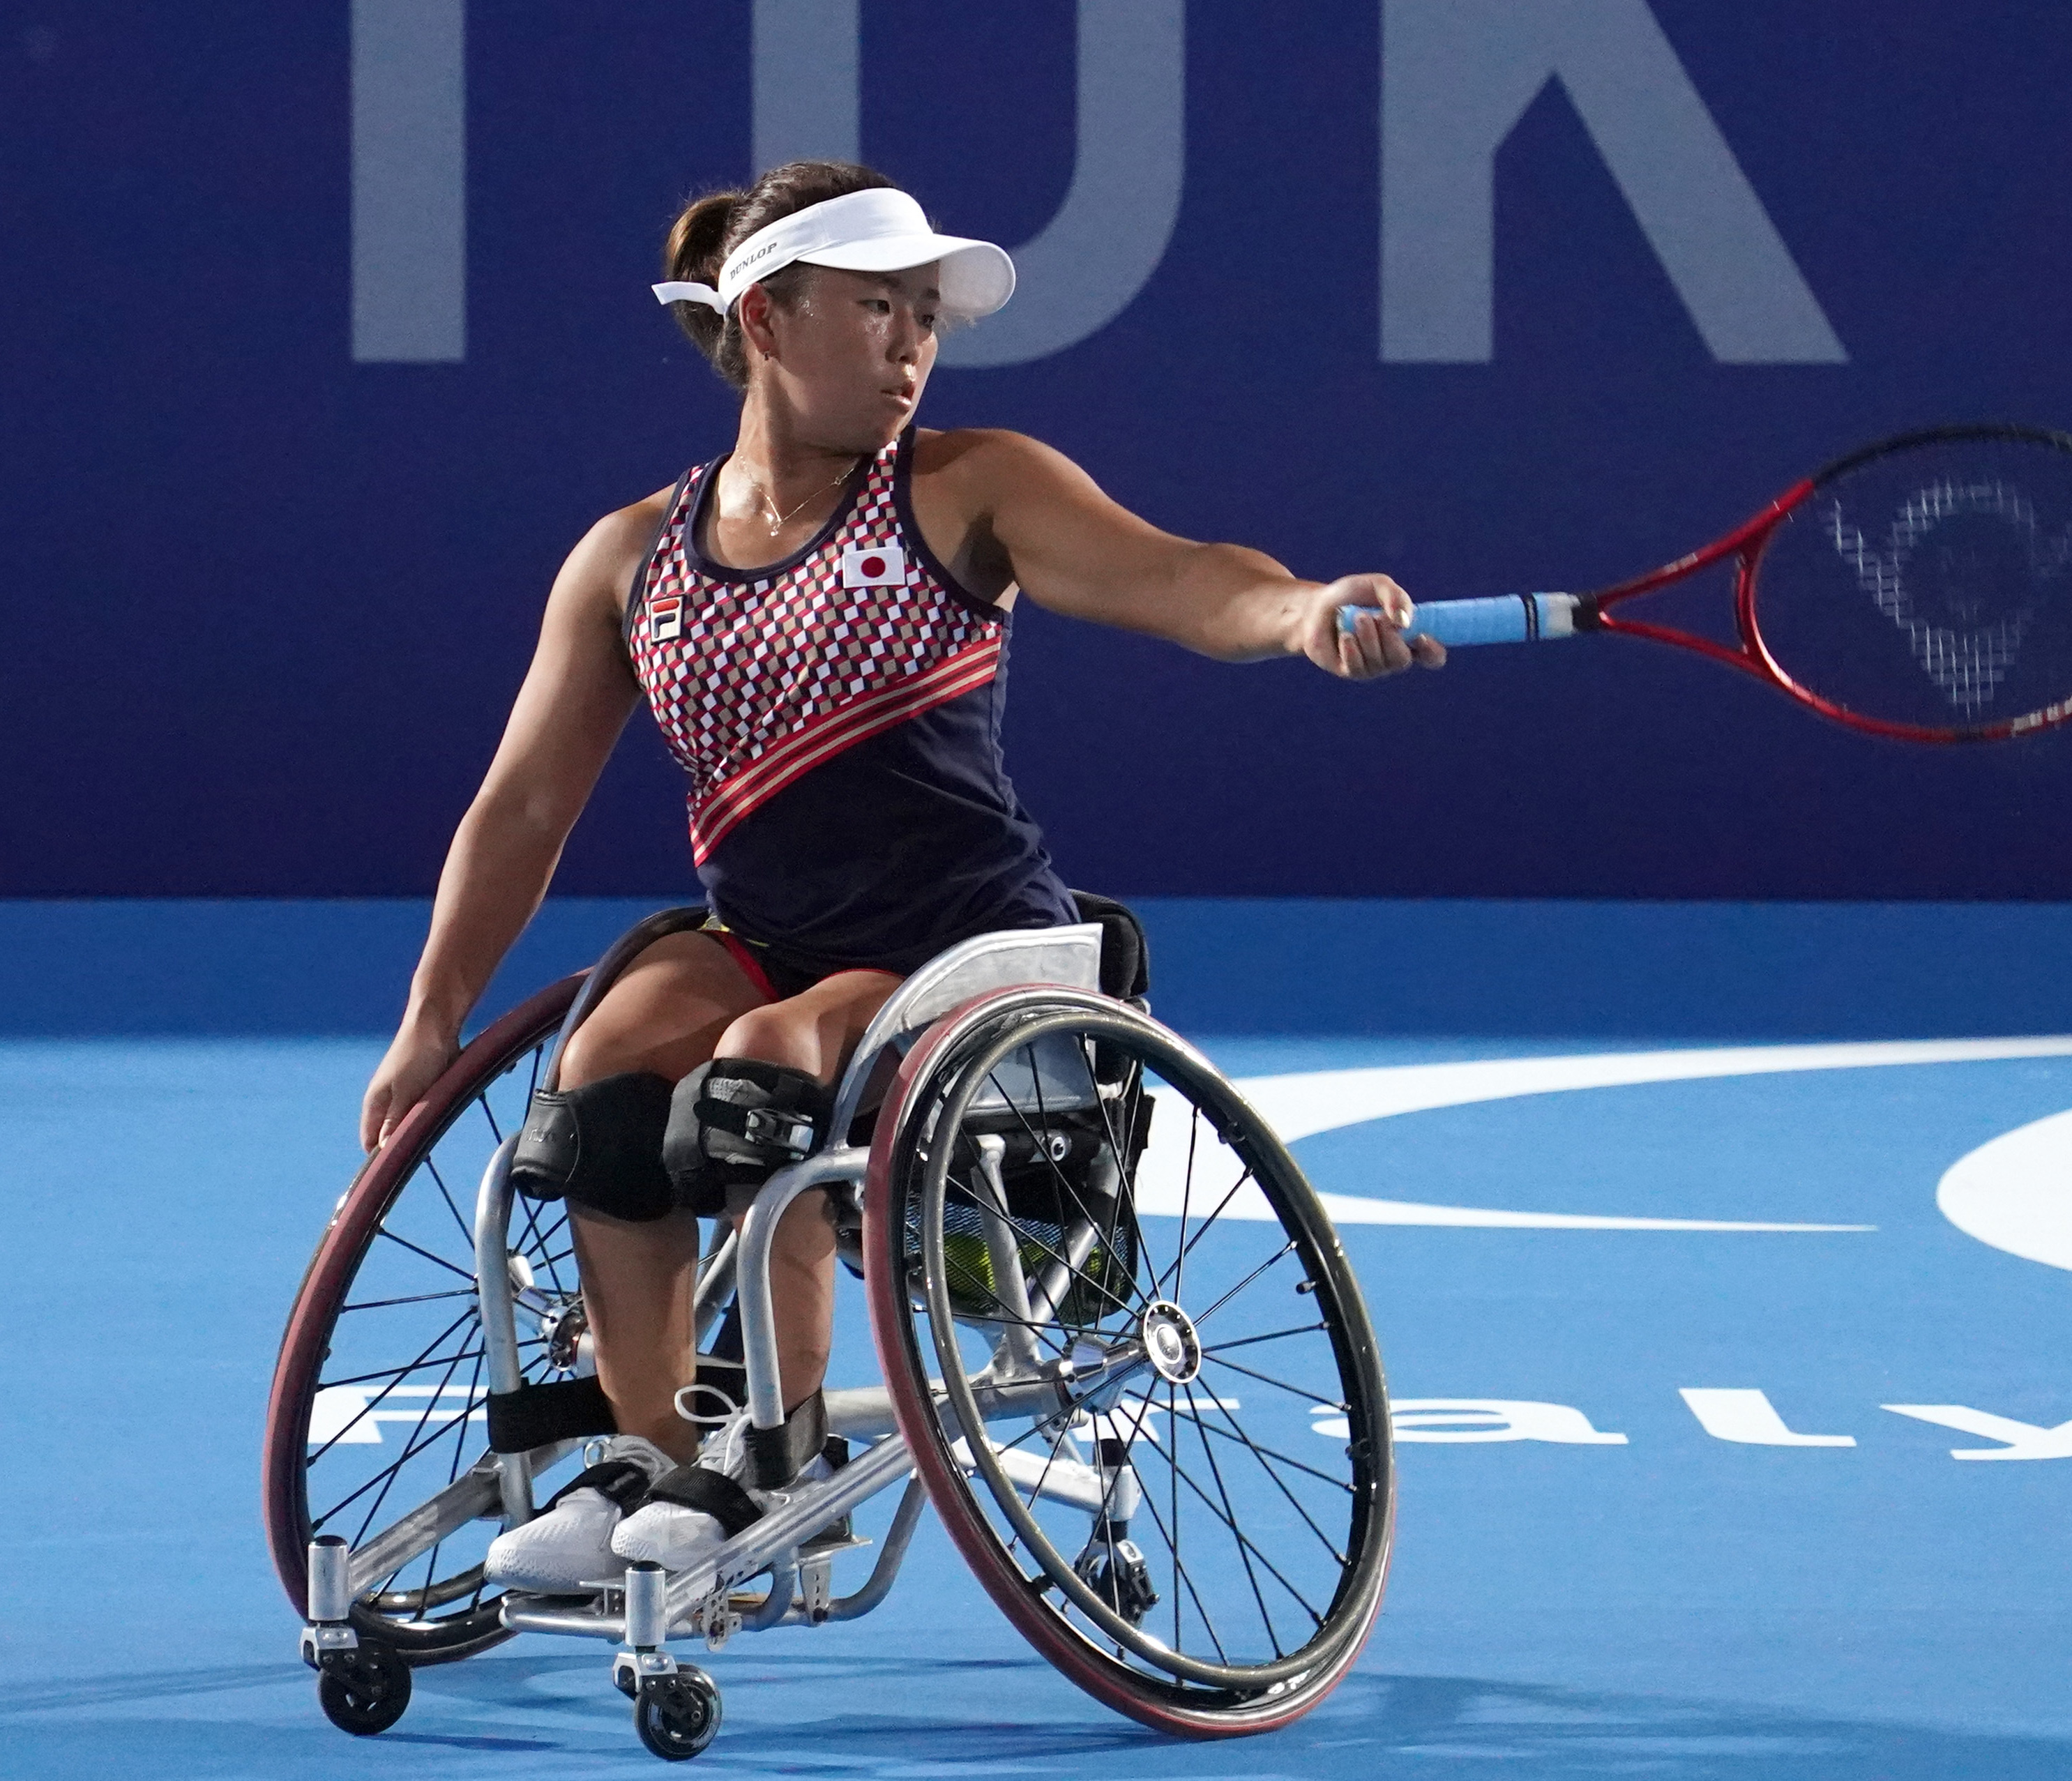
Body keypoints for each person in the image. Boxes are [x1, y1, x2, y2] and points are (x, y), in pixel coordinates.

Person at [358, 160, 1442, 1589]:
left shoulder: (967, 487)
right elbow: (522, 804)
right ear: (766, 319)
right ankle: (646, 1457)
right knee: (599, 1077)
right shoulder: (630, 560)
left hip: (971, 946)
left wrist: (1301, 608)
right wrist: (431, 1017)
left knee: (758, 1072)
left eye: (926, 314)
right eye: (880, 308)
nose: (914, 344)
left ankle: (770, 1453)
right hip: (771, 931)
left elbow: (1180, 575)